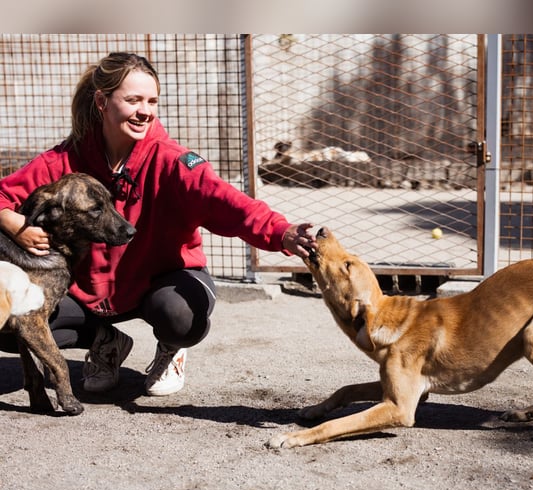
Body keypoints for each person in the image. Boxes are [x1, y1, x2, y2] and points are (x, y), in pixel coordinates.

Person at [0, 52, 317, 397]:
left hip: (161, 284)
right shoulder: (62, 161)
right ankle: (105, 340)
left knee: (181, 317)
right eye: (133, 100)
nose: (145, 111)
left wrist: (280, 232)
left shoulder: (174, 160)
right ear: (102, 102)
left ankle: (170, 348)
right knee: (8, 320)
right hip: (90, 293)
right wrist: (13, 221)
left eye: (152, 101)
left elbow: (227, 202)